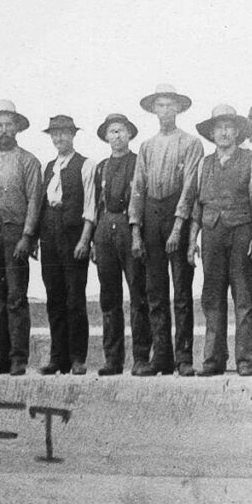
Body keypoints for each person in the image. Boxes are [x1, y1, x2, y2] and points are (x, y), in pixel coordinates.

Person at [181, 103, 252, 376]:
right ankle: (213, 359)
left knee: (244, 297)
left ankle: (245, 360)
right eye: (219, 128)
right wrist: (191, 239)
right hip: (211, 236)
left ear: (238, 131)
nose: (224, 133)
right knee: (212, 297)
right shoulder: (203, 164)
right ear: (212, 133)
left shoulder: (250, 160)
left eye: (229, 127)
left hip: (242, 232)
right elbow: (196, 205)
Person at [132, 84, 200, 374]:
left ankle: (183, 357)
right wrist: (136, 230)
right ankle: (161, 357)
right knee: (155, 291)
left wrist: (178, 226)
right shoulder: (146, 147)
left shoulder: (190, 143)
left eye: (170, 105)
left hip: (177, 216)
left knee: (182, 291)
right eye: (160, 105)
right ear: (153, 110)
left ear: (179, 109)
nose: (165, 111)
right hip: (151, 216)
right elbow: (138, 189)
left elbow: (190, 188)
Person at [0, 100, 43, 375]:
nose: (4, 130)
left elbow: (35, 202)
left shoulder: (28, 161)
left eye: (9, 124)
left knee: (16, 296)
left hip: (15, 233)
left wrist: (27, 236)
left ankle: (17, 358)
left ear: (17, 128)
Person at [32, 114, 91, 374]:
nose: (59, 138)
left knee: (75, 298)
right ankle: (58, 357)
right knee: (54, 297)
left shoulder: (85, 165)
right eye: (55, 134)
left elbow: (90, 206)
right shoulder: (48, 167)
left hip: (72, 235)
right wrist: (35, 238)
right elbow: (41, 205)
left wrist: (84, 240)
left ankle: (77, 357)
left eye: (64, 133)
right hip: (50, 236)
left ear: (73, 135)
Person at [88, 113, 141, 375]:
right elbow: (96, 205)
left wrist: (137, 233)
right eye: (112, 131)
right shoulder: (101, 168)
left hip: (128, 228)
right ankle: (113, 359)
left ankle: (141, 357)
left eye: (121, 131)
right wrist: (94, 241)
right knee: (109, 297)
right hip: (105, 231)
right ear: (106, 137)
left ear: (129, 134)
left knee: (138, 294)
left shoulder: (138, 162)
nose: (117, 136)